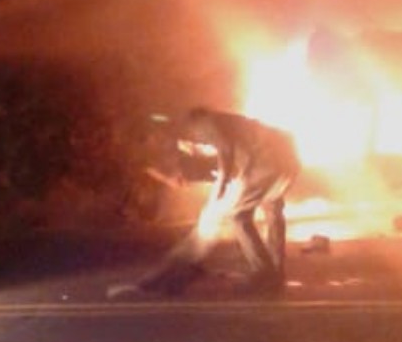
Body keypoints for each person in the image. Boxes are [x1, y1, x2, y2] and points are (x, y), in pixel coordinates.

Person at [114, 107, 300, 297]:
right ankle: (276, 273)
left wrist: (221, 187)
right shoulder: (236, 126)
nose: (198, 139)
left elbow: (225, 151)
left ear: (195, 121)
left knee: (238, 215)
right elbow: (224, 156)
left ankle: (264, 274)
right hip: (288, 161)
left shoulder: (208, 122)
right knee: (273, 211)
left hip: (266, 163)